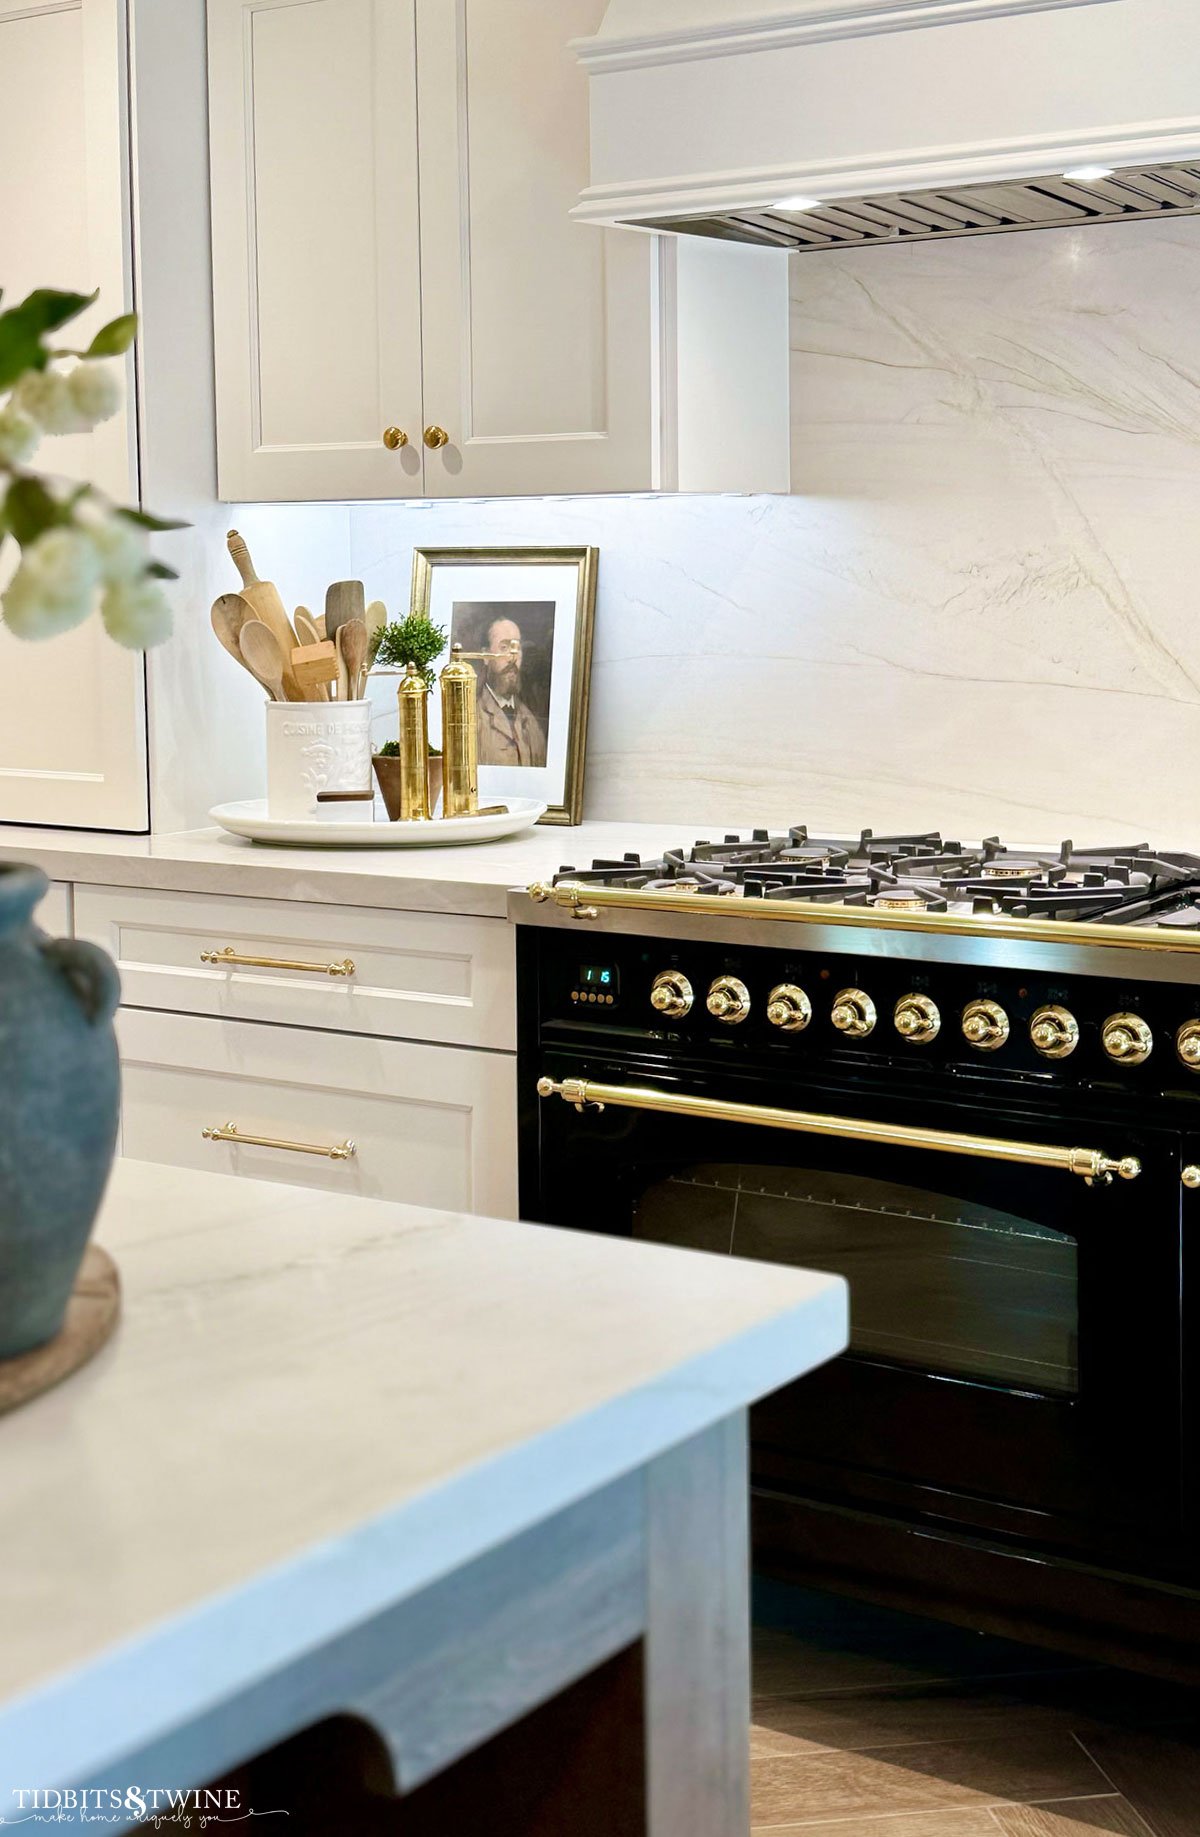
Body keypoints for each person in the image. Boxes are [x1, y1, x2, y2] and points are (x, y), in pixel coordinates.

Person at [477, 616, 547, 767]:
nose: (513, 658)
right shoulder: (472, 718)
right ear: (485, 655)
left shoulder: (531, 721)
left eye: (517, 648)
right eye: (504, 647)